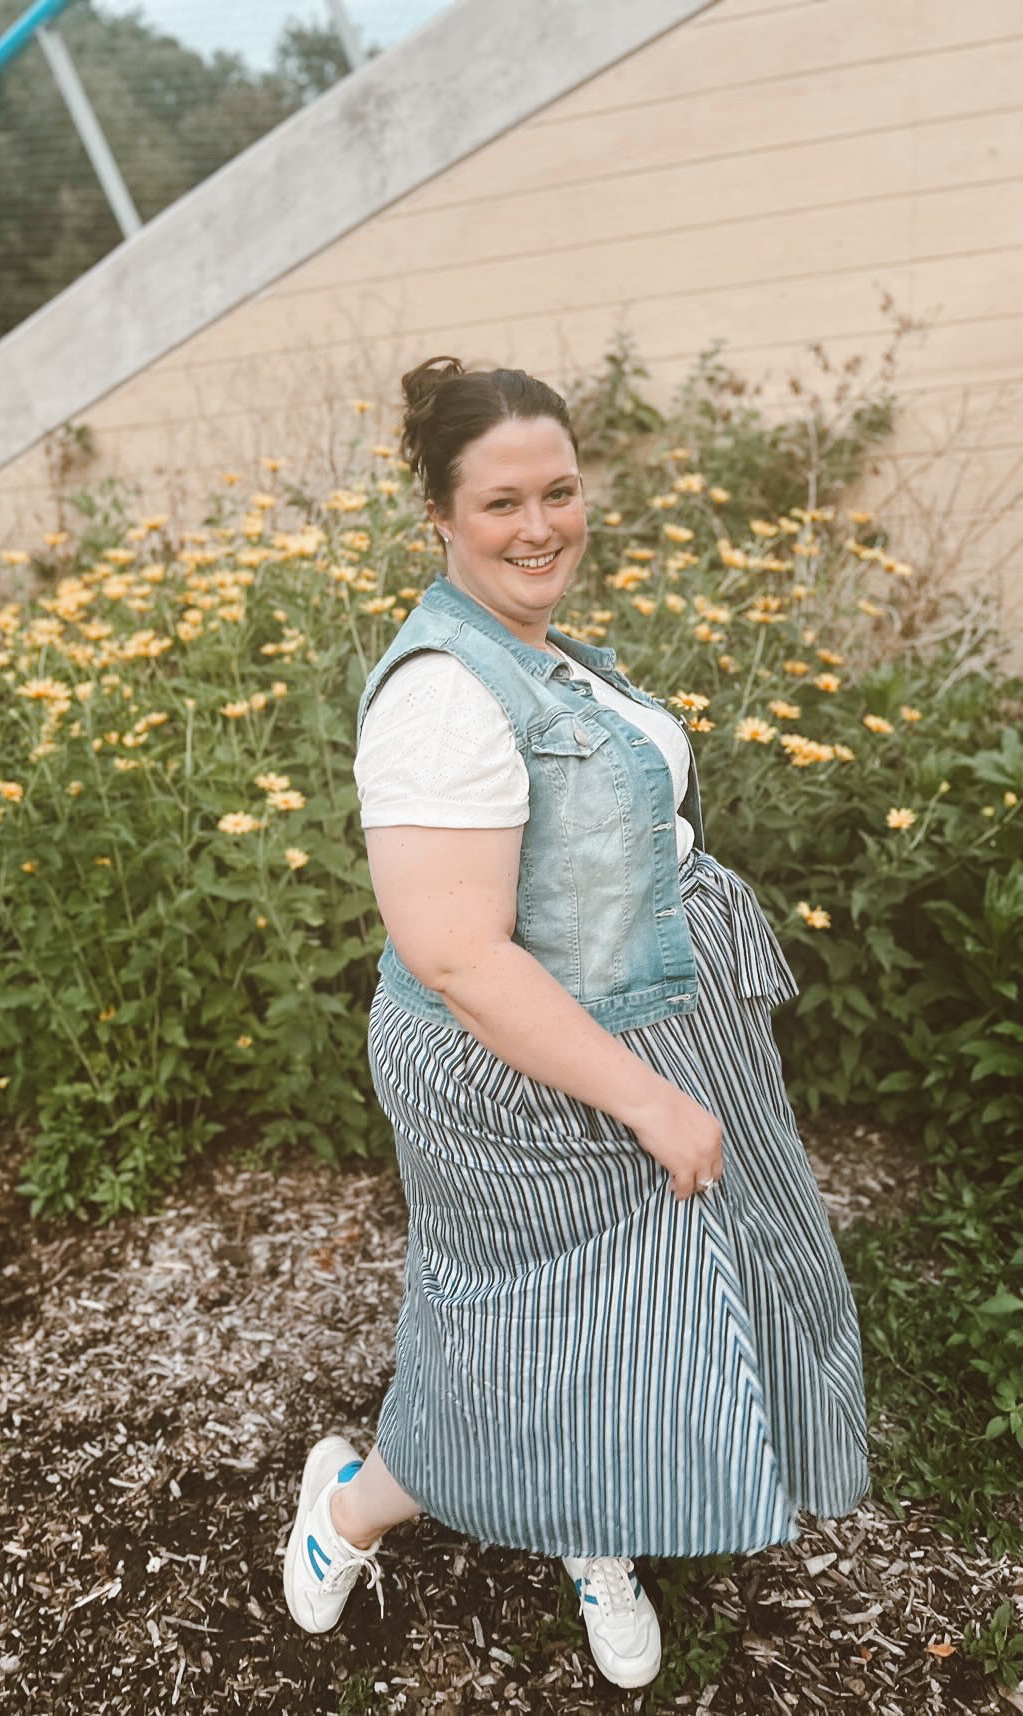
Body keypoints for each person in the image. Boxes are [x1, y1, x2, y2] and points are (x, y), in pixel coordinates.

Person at [281, 356, 870, 1688]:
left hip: (624, 1030)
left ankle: (592, 1524)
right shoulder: (440, 700)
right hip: (527, 1074)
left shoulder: (535, 650)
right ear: (437, 513)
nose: (542, 524)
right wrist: (652, 1098)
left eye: (560, 490)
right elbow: (456, 953)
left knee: (639, 1315)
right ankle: (351, 1506)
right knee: (511, 1348)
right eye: (502, 503)